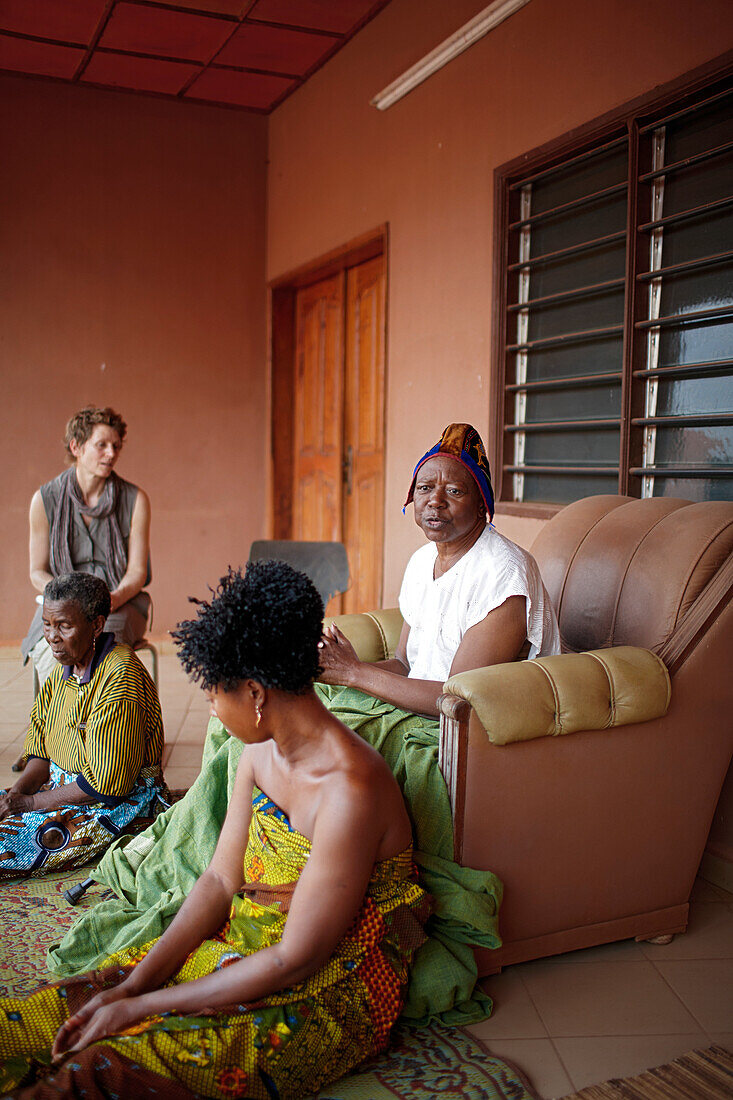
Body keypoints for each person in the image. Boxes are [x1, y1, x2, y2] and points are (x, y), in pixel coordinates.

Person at [0, 562, 429, 1099]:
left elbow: (294, 957)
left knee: (98, 1070)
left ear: (254, 694)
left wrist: (143, 1005)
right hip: (245, 947)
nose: (209, 709)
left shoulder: (350, 791)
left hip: (323, 988)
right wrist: (132, 985)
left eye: (212, 696)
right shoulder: (257, 753)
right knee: (49, 1016)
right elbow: (219, 884)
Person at [318, 422, 560, 715]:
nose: (435, 500)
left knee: (316, 737)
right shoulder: (422, 561)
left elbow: (458, 700)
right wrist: (332, 668)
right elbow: (406, 665)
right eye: (425, 488)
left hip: (459, 731)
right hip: (416, 709)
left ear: (482, 505)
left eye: (455, 491)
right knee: (302, 697)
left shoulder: (504, 574)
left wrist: (355, 673)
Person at [0, 572, 167, 880]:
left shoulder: (120, 678)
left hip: (115, 805)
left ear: (97, 625)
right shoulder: (62, 673)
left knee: (5, 846)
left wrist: (32, 803)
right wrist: (15, 798)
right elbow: (40, 755)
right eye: (48, 625)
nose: (51, 636)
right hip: (60, 792)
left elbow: (105, 786)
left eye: (64, 625)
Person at [22, 405, 151, 687]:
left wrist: (111, 599)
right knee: (52, 650)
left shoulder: (136, 500)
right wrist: (68, 601)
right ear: (76, 446)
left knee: (105, 654)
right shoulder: (44, 500)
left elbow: (136, 573)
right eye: (101, 445)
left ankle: (103, 727)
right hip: (60, 605)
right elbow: (36, 572)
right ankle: (63, 724)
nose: (111, 453)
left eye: (116, 446)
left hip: (119, 604)